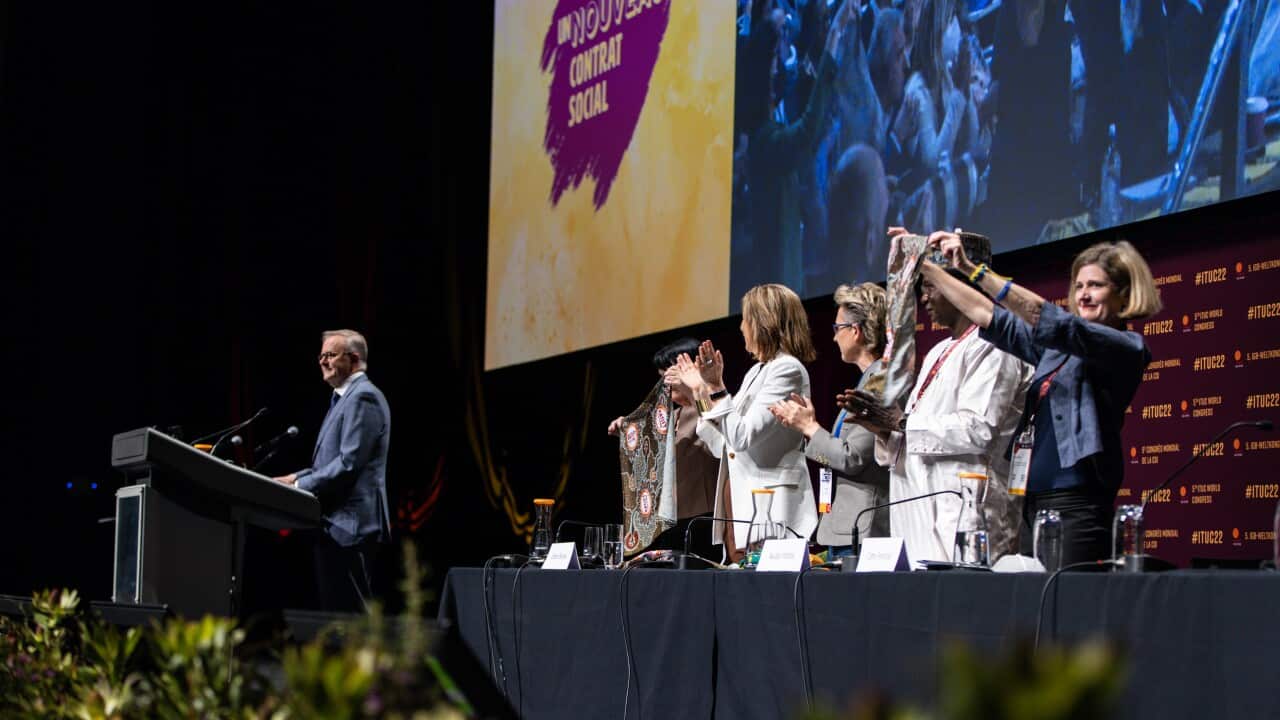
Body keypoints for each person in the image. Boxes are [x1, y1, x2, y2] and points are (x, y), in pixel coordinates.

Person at [922, 231, 1161, 564]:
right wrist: (930, 269)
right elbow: (987, 315)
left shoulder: (1125, 348)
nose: (1084, 295)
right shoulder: (1056, 352)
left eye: (1096, 286)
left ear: (1124, 296)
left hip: (1076, 504)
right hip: (1032, 499)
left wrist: (976, 271)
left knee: (1068, 607)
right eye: (1079, 286)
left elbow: (1043, 317)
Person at [843, 231, 1030, 564]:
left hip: (965, 513)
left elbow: (977, 430)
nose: (924, 298)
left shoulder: (995, 346)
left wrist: (899, 421)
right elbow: (911, 435)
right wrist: (884, 430)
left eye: (930, 286)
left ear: (962, 287)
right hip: (917, 512)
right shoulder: (939, 351)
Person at [675, 284, 819, 563]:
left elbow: (741, 436)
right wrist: (707, 390)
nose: (741, 326)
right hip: (743, 505)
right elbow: (721, 442)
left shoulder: (787, 369)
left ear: (762, 322)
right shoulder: (758, 370)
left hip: (774, 510)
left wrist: (707, 391)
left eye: (745, 319)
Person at [275, 329, 391, 612]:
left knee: (353, 622)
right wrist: (294, 478)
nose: (322, 361)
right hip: (336, 525)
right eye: (321, 355)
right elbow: (329, 464)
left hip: (353, 526)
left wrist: (300, 487)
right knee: (336, 619)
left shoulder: (364, 397)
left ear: (353, 359)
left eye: (330, 355)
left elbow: (348, 463)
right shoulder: (343, 398)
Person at [770, 282, 891, 552]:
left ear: (856, 331)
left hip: (864, 529)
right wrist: (810, 428)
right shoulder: (869, 380)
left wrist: (811, 428)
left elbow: (852, 457)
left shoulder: (880, 381)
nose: (834, 337)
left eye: (838, 329)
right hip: (848, 527)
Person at [607, 338, 719, 558]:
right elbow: (650, 446)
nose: (666, 386)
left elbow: (719, 427)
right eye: (662, 379)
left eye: (669, 376)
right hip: (669, 519)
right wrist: (627, 427)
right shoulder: (670, 416)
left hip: (703, 518)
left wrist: (695, 388)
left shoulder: (710, 406)